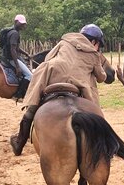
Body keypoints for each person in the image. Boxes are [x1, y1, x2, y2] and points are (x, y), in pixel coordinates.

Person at [10, 23, 107, 156]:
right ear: (94, 41)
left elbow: (49, 57)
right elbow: (101, 77)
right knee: (96, 114)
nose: (98, 48)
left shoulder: (65, 42)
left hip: (54, 78)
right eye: (99, 45)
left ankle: (19, 142)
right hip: (78, 85)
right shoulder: (94, 54)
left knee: (32, 108)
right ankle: (102, 145)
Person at [1, 14, 32, 98]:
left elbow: (17, 48)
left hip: (5, 57)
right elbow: (13, 50)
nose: (23, 25)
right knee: (30, 75)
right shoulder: (15, 33)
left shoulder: (11, 31)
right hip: (11, 58)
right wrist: (17, 67)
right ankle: (19, 94)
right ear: (15, 22)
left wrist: (26, 54)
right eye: (21, 23)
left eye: (24, 24)